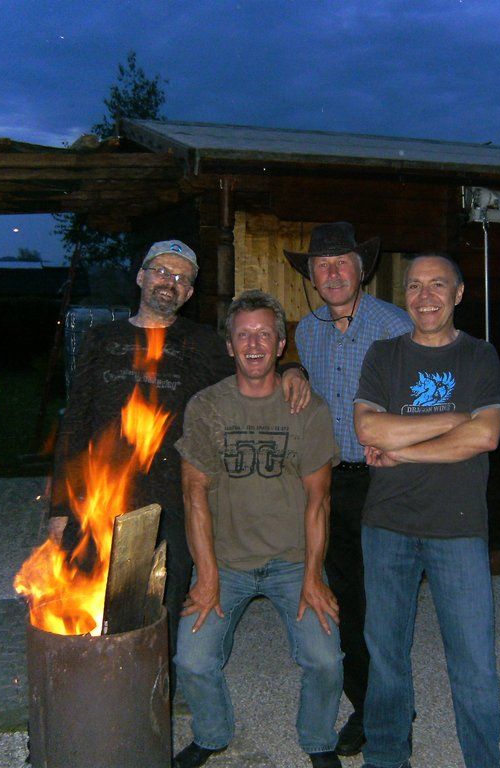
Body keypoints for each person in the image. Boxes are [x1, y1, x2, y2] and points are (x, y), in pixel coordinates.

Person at [49, 240, 310, 677]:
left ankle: (154, 692)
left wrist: (293, 370)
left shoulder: (204, 344)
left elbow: (254, 370)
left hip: (172, 501)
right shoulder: (102, 339)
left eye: (181, 278)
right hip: (98, 498)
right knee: (90, 600)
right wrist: (60, 508)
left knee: (162, 607)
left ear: (188, 293)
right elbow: (74, 424)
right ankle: (95, 686)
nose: (169, 282)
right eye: (161, 272)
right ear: (141, 276)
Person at [172, 290, 344, 768]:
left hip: (292, 560)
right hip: (225, 561)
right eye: (243, 335)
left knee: (325, 659)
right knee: (192, 659)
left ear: (280, 344)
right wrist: (207, 576)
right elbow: (193, 495)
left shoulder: (308, 409)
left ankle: (318, 739)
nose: (253, 345)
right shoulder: (207, 407)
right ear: (229, 345)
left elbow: (319, 500)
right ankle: (212, 733)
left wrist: (313, 576)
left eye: (264, 334)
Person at [354, 254, 500, 768]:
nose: (425, 297)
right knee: (386, 656)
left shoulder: (479, 356)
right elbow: (369, 429)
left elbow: (485, 435)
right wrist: (453, 419)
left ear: (458, 294)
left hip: (458, 527)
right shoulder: (384, 355)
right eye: (415, 286)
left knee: (474, 662)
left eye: (437, 285)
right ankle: (386, 757)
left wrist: (404, 452)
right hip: (387, 525)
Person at [284, 222, 412, 756]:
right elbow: (306, 382)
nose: (332, 273)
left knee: (384, 603)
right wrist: (293, 369)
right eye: (322, 265)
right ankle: (368, 704)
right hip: (330, 481)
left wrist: (404, 449)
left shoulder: (395, 326)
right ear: (312, 277)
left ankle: (393, 714)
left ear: (362, 271)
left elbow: (423, 398)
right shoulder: (309, 331)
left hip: (384, 479)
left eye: (342, 263)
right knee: (346, 601)